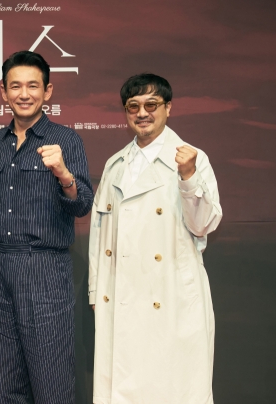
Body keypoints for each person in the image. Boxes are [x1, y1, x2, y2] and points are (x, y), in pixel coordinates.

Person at [88, 73, 223, 404]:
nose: (142, 113)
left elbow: (204, 224)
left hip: (170, 297)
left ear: (168, 108)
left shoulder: (192, 159)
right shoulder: (115, 164)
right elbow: (98, 232)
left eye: (151, 104)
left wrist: (188, 177)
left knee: (171, 389)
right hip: (120, 295)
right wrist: (96, 290)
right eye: (133, 106)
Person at [0, 51, 94, 404]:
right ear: (3, 91)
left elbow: (83, 203)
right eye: (16, 86)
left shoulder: (66, 139)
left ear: (48, 91)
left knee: (51, 381)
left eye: (33, 86)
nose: (24, 94)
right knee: (3, 380)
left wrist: (63, 174)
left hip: (44, 266)